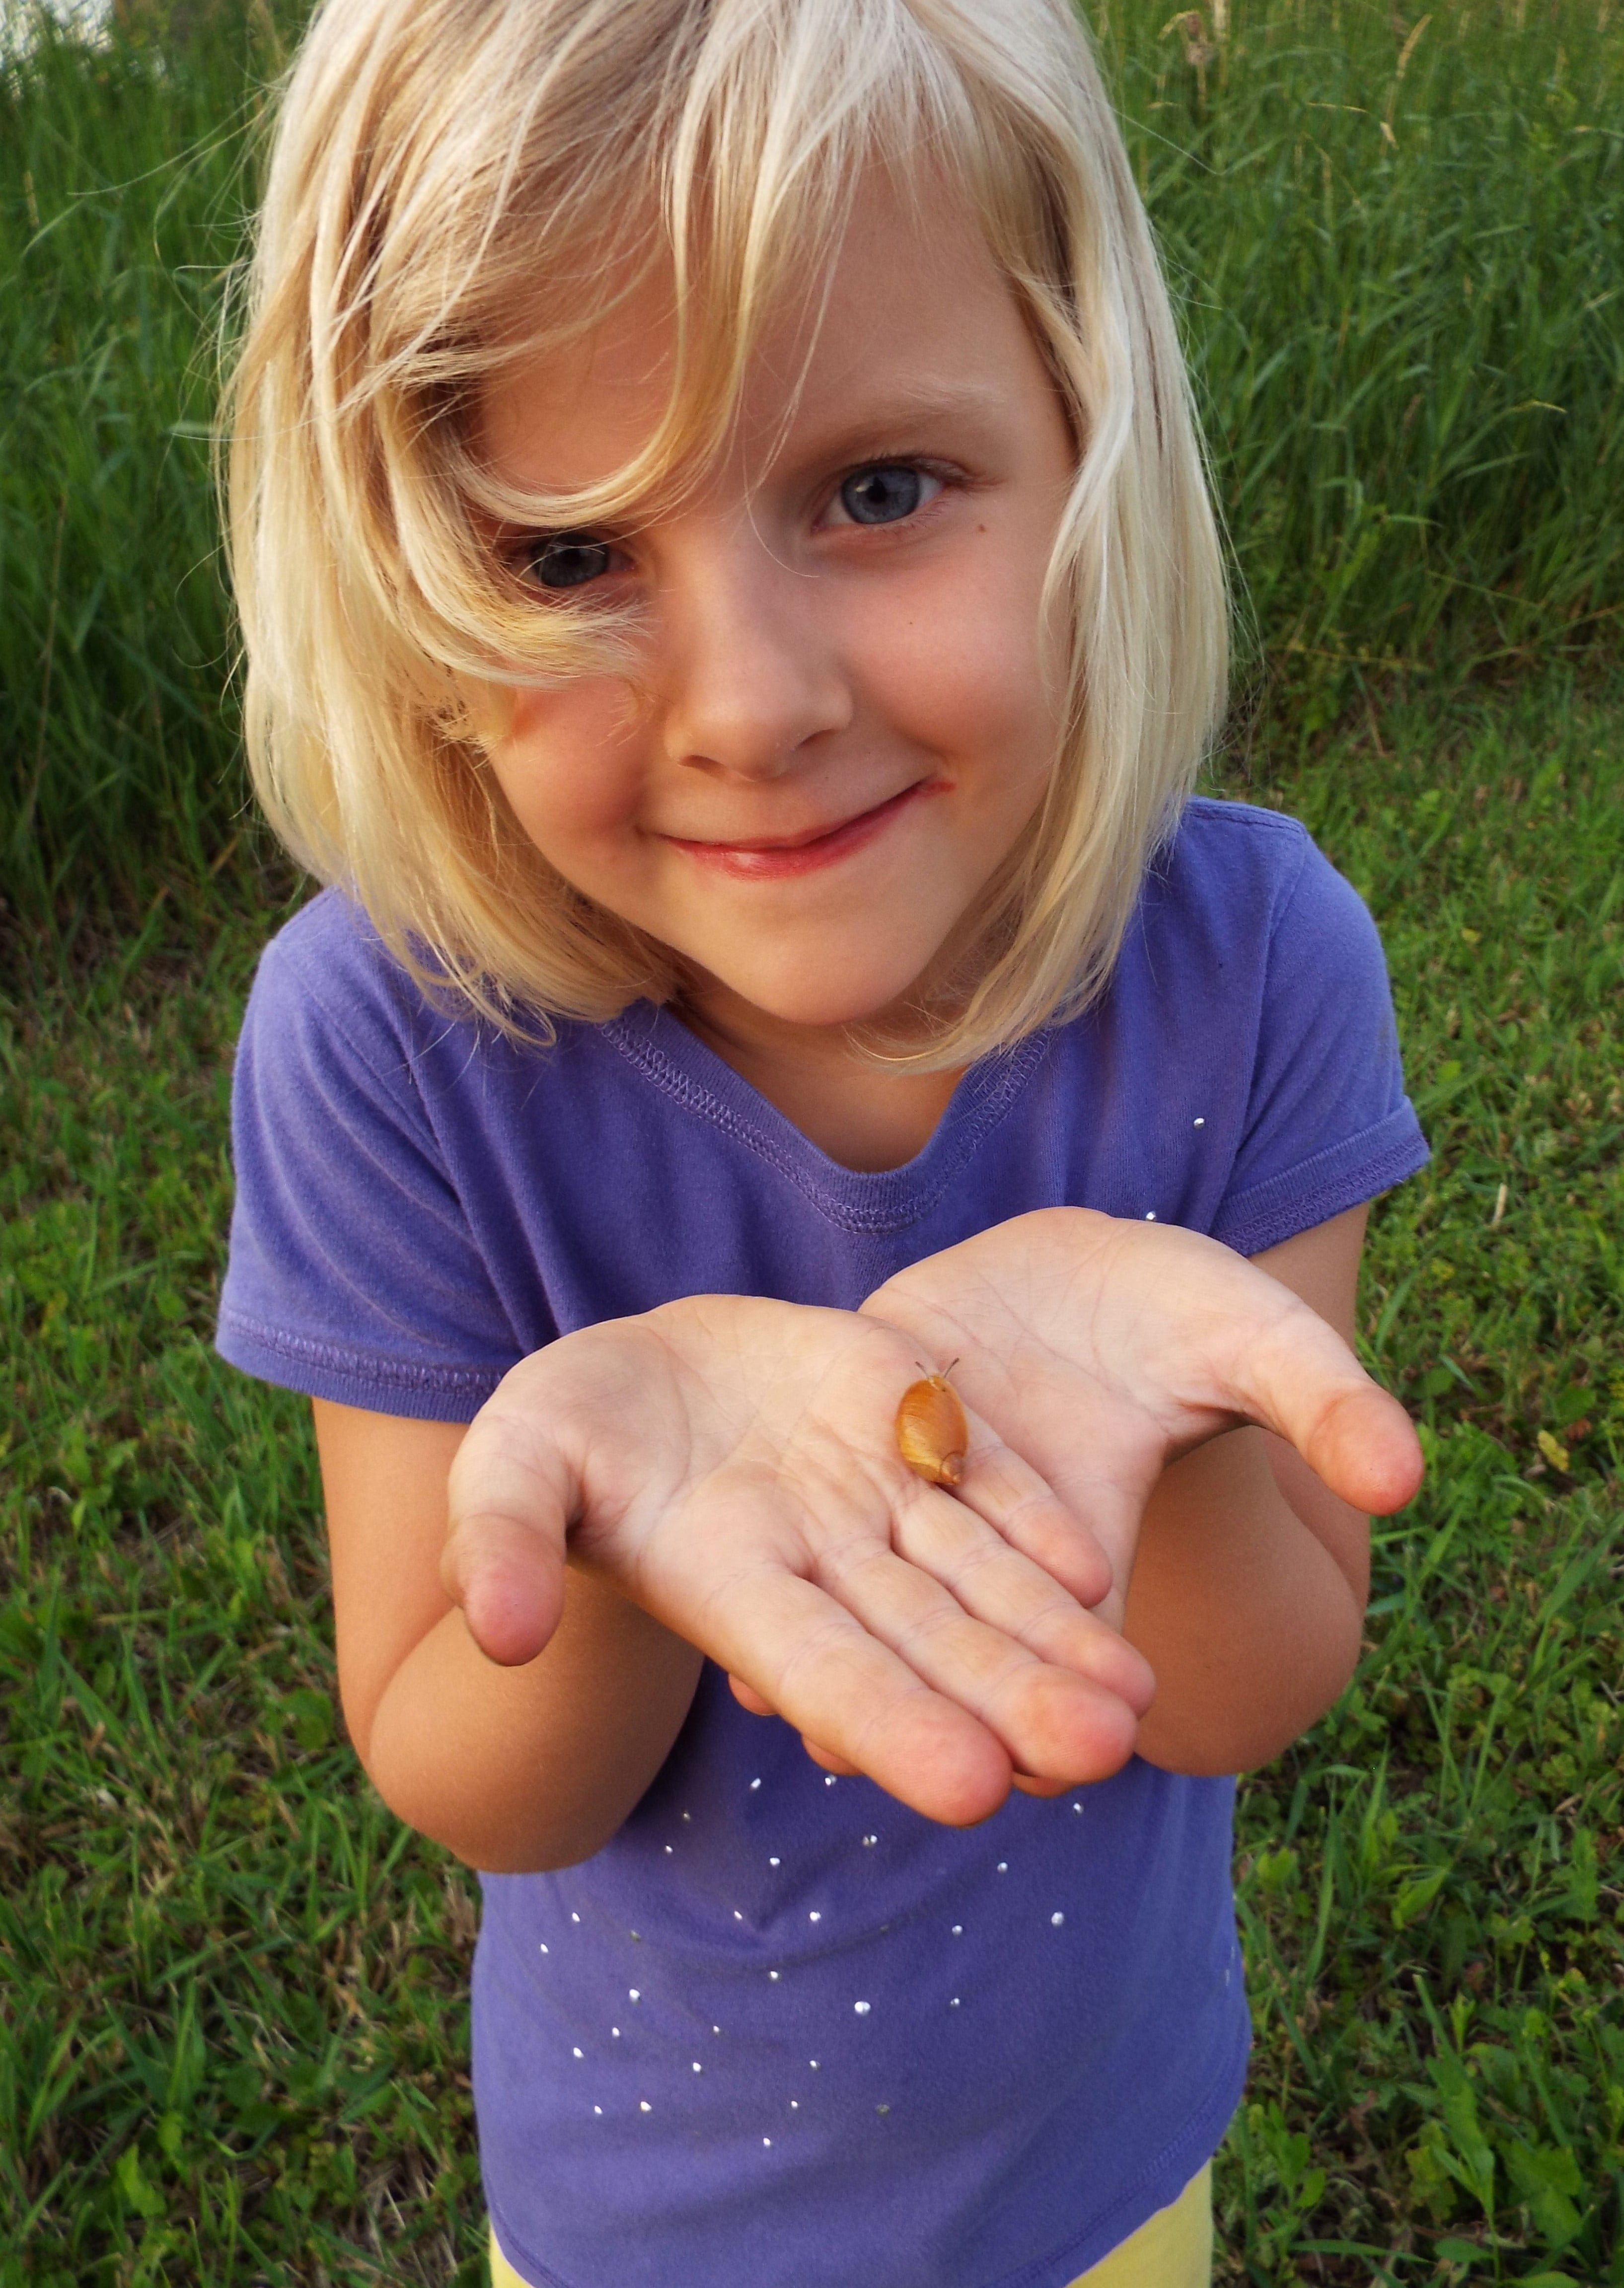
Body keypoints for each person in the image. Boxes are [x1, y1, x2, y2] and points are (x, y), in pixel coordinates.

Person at [214, 1, 1430, 2282]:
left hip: (1101, 2180)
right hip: (639, 2222)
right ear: (402, 598)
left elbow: (1266, 1676)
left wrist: (1161, 1438)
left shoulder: (1256, 955)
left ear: (1089, 435)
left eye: (877, 491)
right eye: (571, 557)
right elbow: (462, 1760)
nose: (755, 704)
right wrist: (590, 1521)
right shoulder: (389, 1041)